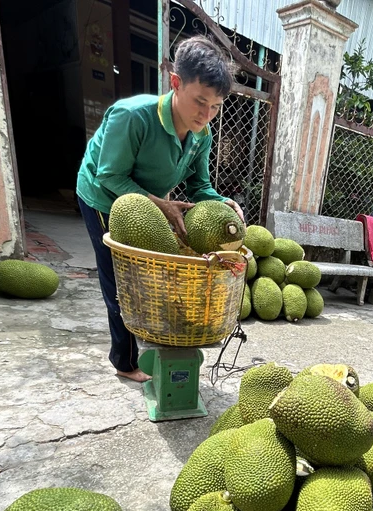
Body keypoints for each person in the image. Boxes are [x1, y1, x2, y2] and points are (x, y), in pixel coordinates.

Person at [75, 37, 245, 382]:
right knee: (120, 280)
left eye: (215, 106)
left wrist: (222, 203)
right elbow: (110, 175)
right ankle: (124, 361)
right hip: (102, 194)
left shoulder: (202, 134)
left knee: (151, 275)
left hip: (149, 202)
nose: (206, 114)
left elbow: (199, 187)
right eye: (200, 102)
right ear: (176, 83)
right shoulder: (133, 116)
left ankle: (154, 339)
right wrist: (163, 205)